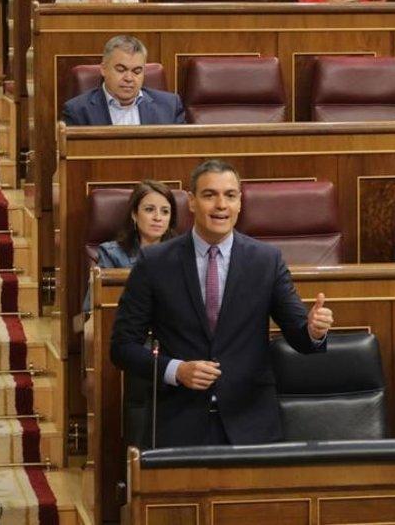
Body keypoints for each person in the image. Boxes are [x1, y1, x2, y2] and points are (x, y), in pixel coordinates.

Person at [110, 159, 335, 446]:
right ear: (191, 202)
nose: (221, 205)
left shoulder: (266, 261)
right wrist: (176, 370)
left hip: (251, 426)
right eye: (209, 195)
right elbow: (122, 348)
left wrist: (315, 332)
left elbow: (300, 338)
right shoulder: (154, 263)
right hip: (178, 425)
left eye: (230, 195)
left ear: (240, 202)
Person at [82, 180, 178, 314]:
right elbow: (91, 311)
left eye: (165, 211)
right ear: (134, 215)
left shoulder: (183, 254)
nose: (158, 217)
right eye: (149, 209)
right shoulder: (112, 255)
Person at [60, 35, 185, 126]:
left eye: (137, 71)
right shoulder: (78, 111)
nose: (129, 78)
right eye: (121, 70)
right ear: (103, 69)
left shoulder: (170, 106)